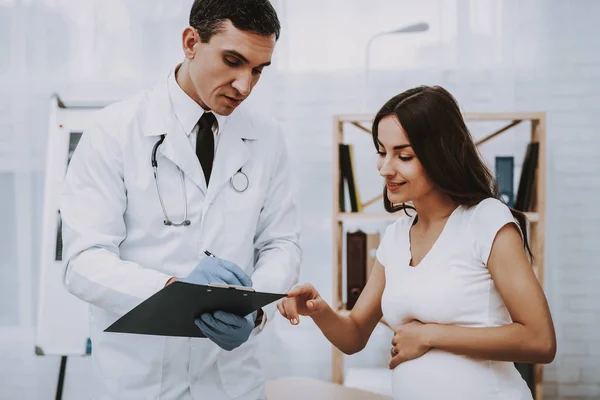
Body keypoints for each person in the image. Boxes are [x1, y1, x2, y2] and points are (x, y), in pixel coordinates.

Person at [60, 1, 301, 399]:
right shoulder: (115, 131)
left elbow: (281, 243)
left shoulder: (267, 136)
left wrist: (255, 310)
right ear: (191, 42)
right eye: (233, 60)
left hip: (231, 380)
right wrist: (173, 290)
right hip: (138, 379)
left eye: (258, 70)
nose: (245, 85)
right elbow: (82, 262)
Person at [278, 86, 556, 399]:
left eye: (404, 156)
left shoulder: (486, 221)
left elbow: (540, 340)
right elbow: (354, 334)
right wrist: (318, 309)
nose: (385, 169)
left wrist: (431, 335)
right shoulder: (395, 237)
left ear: (440, 154)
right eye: (382, 152)